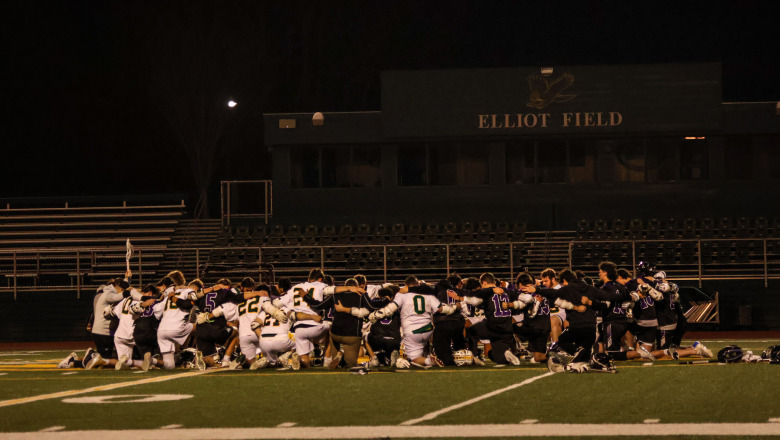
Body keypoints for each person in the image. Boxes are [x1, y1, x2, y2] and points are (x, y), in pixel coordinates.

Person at [431, 275, 467, 366]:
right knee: (459, 344)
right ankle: (463, 357)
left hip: (443, 322)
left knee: (441, 348)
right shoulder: (458, 291)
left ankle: (448, 360)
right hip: (458, 322)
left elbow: (435, 308)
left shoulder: (437, 292)